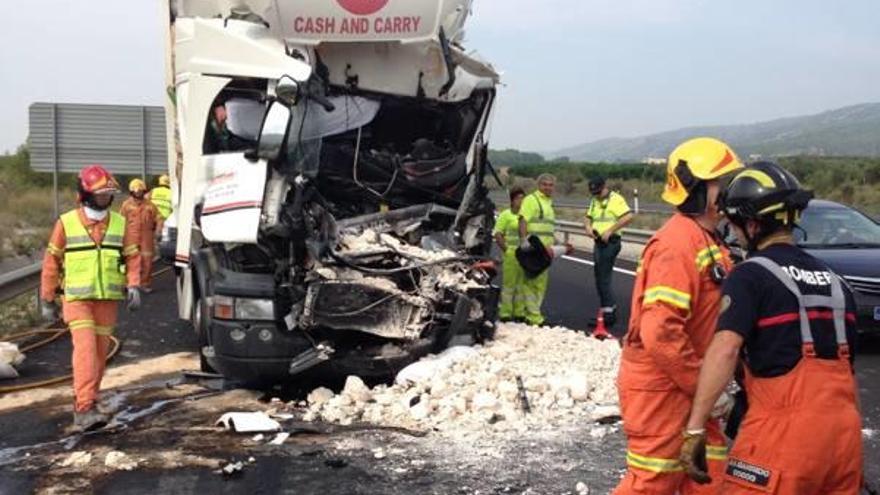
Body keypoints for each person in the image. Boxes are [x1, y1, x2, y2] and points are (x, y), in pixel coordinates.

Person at [680, 161, 862, 493]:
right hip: (844, 440)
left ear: (751, 225)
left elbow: (726, 349)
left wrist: (695, 427)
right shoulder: (838, 282)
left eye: (735, 226)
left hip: (782, 438)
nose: (734, 233)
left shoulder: (750, 275)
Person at [613, 137, 744, 495]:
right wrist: (705, 388)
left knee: (710, 479)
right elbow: (660, 333)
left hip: (692, 389)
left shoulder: (709, 241)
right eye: (723, 182)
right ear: (696, 188)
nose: (731, 191)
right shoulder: (677, 245)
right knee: (653, 483)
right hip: (663, 390)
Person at [40, 165, 142, 432]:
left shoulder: (120, 223)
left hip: (106, 300)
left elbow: (132, 256)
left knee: (98, 354)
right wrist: (47, 298)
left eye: (108, 195)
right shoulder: (66, 223)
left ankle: (90, 400)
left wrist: (134, 285)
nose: (105, 200)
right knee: (85, 351)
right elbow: (52, 261)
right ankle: (84, 408)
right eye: (99, 195)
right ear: (85, 195)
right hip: (77, 300)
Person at [584, 177, 633, 327]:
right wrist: (588, 227)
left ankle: (608, 314)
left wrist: (611, 230)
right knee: (599, 276)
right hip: (598, 242)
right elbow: (588, 217)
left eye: (599, 191)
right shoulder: (594, 201)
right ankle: (608, 307)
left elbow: (628, 216)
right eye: (594, 193)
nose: (597, 195)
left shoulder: (616, 199)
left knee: (603, 277)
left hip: (611, 242)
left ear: (604, 187)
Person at [517, 174, 557, 326]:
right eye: (545, 184)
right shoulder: (531, 200)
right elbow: (523, 220)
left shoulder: (548, 203)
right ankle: (533, 316)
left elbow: (548, 228)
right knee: (531, 283)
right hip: (534, 249)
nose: (548, 187)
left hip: (546, 250)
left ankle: (531, 313)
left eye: (550, 185)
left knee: (540, 284)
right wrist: (523, 241)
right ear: (538, 185)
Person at [120, 179, 160, 293]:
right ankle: (129, 284)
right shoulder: (126, 205)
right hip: (130, 237)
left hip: (146, 237)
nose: (138, 194)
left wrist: (158, 231)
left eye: (140, 191)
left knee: (147, 261)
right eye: (136, 192)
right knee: (130, 260)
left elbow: (159, 219)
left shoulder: (150, 205)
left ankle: (144, 284)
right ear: (132, 192)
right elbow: (120, 220)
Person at [494, 187, 527, 322]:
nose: (521, 201)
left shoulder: (525, 216)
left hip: (524, 253)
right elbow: (498, 234)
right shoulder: (506, 215)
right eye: (519, 198)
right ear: (512, 200)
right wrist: (506, 250)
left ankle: (519, 312)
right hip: (511, 253)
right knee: (509, 284)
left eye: (523, 198)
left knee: (522, 284)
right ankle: (505, 312)